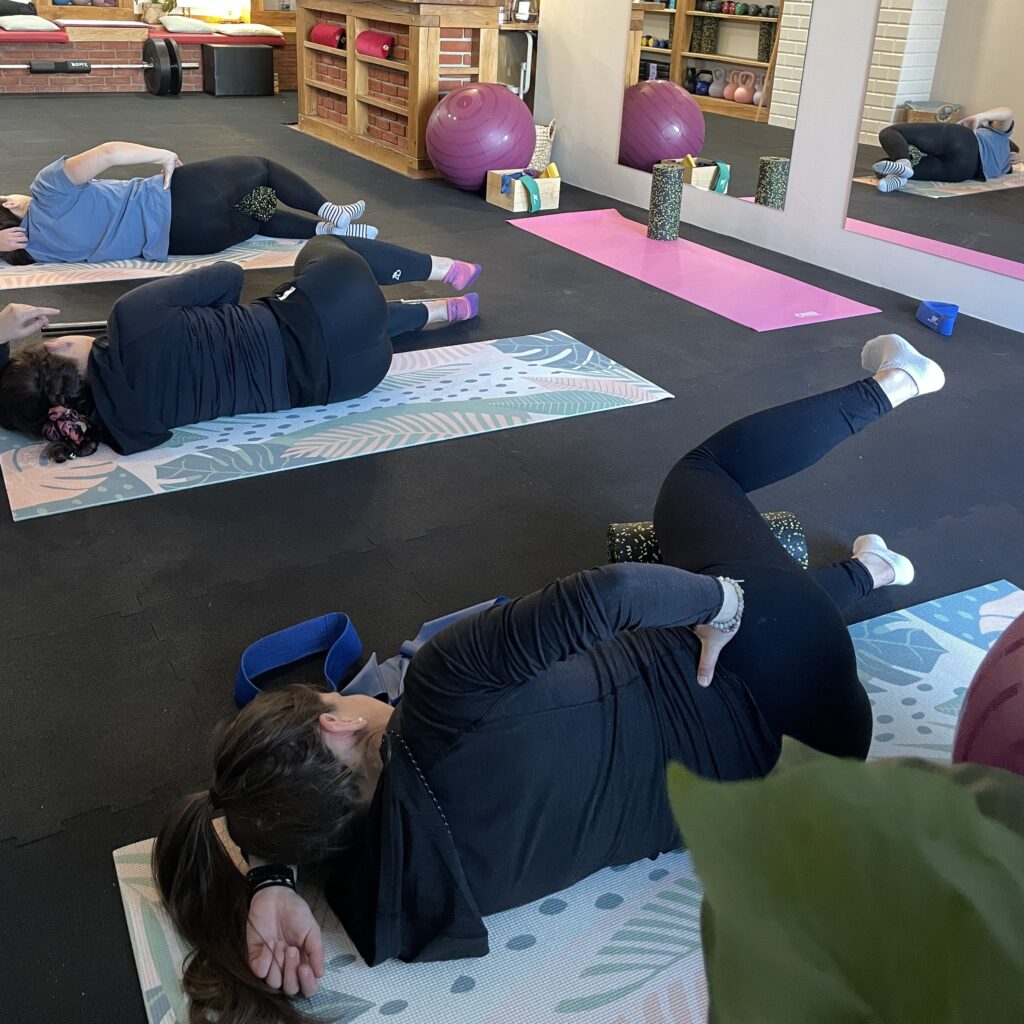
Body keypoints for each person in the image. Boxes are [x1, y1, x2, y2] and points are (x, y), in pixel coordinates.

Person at [152, 334, 945, 1023]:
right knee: (700, 479)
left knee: (726, 617)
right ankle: (895, 382)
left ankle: (869, 573)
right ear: (337, 721)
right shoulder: (440, 690)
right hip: (778, 657)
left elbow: (294, 831)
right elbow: (614, 592)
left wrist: (271, 874)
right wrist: (725, 604)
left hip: (815, 764)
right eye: (333, 698)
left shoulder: (396, 897)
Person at [0, 234, 482, 458]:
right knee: (324, 246)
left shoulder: (125, 430)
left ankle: (446, 311)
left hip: (353, 378)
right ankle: (446, 270)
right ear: (57, 347)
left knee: (349, 324)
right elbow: (229, 275)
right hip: (333, 302)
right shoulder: (129, 317)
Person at [0, 142, 379, 266]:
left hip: (191, 242)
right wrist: (163, 155)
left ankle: (326, 230)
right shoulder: (49, 189)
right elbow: (110, 152)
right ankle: (331, 212)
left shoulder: (30, 253)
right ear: (8, 205)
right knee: (262, 170)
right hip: (172, 201)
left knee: (258, 210)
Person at [873, 107, 1018, 193]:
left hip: (965, 142)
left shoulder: (1000, 134)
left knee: (890, 132)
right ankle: (898, 177)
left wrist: (979, 117)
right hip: (963, 171)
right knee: (883, 165)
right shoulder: (1006, 165)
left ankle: (903, 163)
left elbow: (1007, 112)